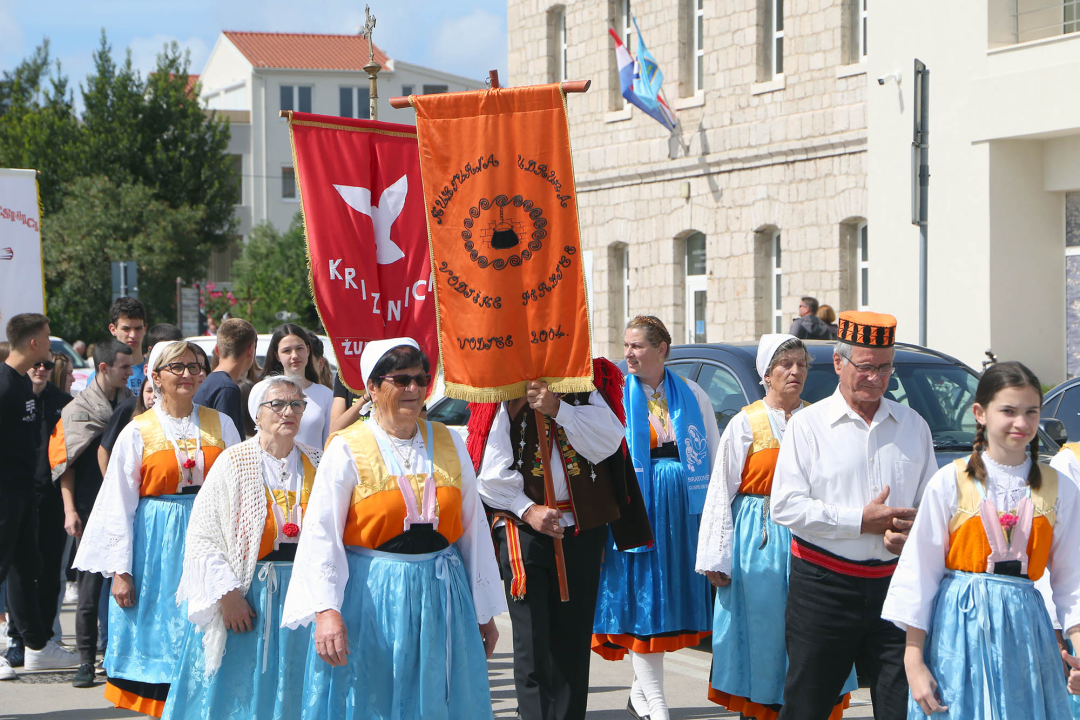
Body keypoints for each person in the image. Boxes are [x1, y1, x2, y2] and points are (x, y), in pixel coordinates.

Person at [281, 338, 506, 719]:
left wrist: (483, 611)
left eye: (422, 379)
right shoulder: (346, 447)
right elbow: (322, 534)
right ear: (372, 387)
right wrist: (326, 611)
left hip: (442, 595)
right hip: (373, 598)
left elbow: (474, 531)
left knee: (438, 696)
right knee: (376, 696)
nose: (414, 389)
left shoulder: (450, 441)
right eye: (401, 380)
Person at [882, 361, 1080, 718]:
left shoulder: (1058, 487)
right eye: (1008, 411)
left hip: (1025, 632)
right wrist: (914, 660)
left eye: (1031, 412)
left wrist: (1078, 651)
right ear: (980, 413)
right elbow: (919, 573)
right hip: (957, 632)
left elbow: (1072, 578)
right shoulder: (950, 481)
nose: (1021, 423)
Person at [770, 311, 937, 720]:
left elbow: (932, 512)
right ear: (839, 363)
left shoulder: (913, 426)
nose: (876, 378)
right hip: (824, 589)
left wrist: (909, 534)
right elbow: (785, 506)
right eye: (865, 367)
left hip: (896, 591)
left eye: (884, 368)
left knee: (903, 708)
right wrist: (861, 521)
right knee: (807, 707)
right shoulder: (808, 425)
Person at [470, 356, 652, 720]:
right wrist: (528, 510)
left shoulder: (587, 383)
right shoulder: (505, 385)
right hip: (525, 530)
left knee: (572, 641)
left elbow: (608, 441)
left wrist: (558, 408)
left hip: (582, 530)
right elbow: (490, 474)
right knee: (531, 643)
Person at [73, 341, 241, 716]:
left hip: (210, 539)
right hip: (155, 549)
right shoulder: (138, 430)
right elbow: (117, 503)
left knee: (207, 631)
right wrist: (121, 571)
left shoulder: (222, 424)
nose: (188, 375)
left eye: (196, 367)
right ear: (156, 375)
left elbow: (240, 489)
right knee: (159, 628)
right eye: (177, 367)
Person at [697, 334, 855, 719]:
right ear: (767, 374)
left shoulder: (819, 419)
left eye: (801, 364)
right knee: (763, 629)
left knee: (812, 627)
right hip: (760, 538)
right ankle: (760, 707)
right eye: (786, 365)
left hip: (809, 533)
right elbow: (721, 490)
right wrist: (717, 556)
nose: (795, 371)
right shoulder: (745, 423)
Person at [164, 377, 321, 719]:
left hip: (303, 591)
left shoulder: (317, 462)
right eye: (276, 404)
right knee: (244, 689)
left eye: (296, 404)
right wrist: (228, 595)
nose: (288, 412)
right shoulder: (233, 462)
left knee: (296, 685)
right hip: (250, 594)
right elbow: (203, 535)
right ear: (257, 415)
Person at [592, 315, 720, 720]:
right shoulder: (613, 395)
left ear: (661, 349)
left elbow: (712, 454)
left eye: (637, 346)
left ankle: (640, 693)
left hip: (680, 512)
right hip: (634, 507)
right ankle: (657, 703)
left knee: (665, 605)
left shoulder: (692, 393)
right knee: (641, 605)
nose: (628, 353)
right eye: (626, 345)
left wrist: (713, 516)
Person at [0, 314, 79, 682]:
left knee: (27, 568)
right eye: (47, 340)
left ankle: (36, 645)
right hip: (5, 495)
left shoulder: (20, 385)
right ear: (33, 343)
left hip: (23, 495)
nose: (50, 347)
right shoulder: (3, 385)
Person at [51, 339, 134, 687]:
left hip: (125, 508)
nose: (130, 374)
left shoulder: (131, 406)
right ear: (104, 368)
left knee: (126, 587)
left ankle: (119, 658)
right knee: (87, 593)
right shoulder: (77, 409)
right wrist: (70, 510)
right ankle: (85, 661)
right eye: (124, 368)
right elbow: (65, 463)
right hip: (87, 508)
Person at [97, 324, 185, 479]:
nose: (182, 373)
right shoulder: (129, 409)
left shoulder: (189, 412)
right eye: (172, 363)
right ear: (151, 371)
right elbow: (104, 450)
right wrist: (110, 484)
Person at [260, 324, 333, 449]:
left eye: (299, 348)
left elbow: (329, 443)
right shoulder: (262, 390)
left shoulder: (326, 394)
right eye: (287, 351)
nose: (294, 355)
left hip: (313, 466)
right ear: (277, 355)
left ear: (308, 350)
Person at [193, 318, 257, 440]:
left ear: (217, 350)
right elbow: (227, 444)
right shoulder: (227, 389)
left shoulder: (210, 383)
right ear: (251, 350)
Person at [86, 298, 148, 396]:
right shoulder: (99, 377)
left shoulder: (156, 374)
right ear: (113, 329)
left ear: (145, 329)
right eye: (126, 329)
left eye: (138, 328)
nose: (133, 335)